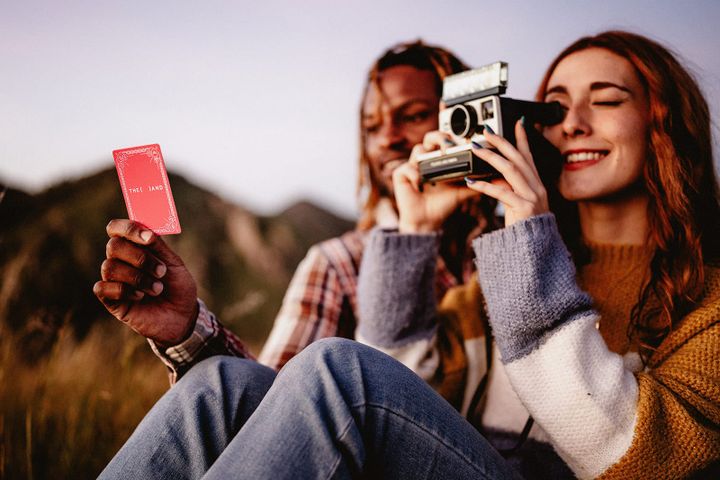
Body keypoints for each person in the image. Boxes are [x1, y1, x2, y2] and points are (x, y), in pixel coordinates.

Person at [99, 30, 720, 479]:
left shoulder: (704, 301)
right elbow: (397, 401)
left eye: (607, 100)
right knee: (219, 385)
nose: (574, 123)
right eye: (555, 108)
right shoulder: (487, 287)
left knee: (339, 370)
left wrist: (528, 233)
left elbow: (630, 456)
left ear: (668, 124)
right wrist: (409, 244)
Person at [94, 41, 495, 388]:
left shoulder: (514, 246)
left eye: (411, 116)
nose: (387, 139)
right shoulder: (340, 265)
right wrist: (184, 331)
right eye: (371, 127)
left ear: (462, 116)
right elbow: (274, 411)